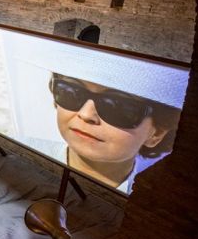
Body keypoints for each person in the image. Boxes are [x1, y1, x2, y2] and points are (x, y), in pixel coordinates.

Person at [48, 73, 181, 192]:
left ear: (156, 134)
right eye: (70, 92)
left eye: (118, 106)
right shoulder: (26, 163)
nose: (86, 114)